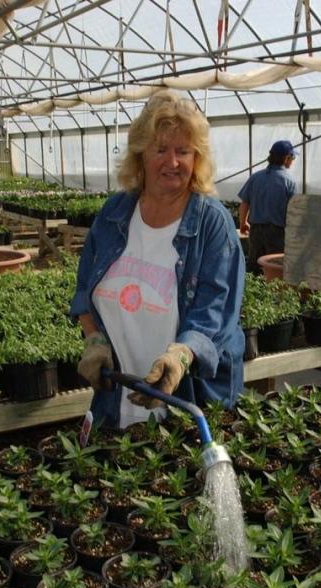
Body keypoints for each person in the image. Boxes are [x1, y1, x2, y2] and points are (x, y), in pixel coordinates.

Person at [69, 90, 245, 430]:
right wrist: (94, 340)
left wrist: (180, 358)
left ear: (197, 158)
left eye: (183, 151)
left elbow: (217, 309)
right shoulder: (114, 214)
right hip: (115, 394)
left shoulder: (212, 224)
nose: (173, 162)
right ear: (140, 155)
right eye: (160, 149)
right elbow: (84, 288)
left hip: (188, 399)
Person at [237, 140, 298, 274]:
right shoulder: (289, 182)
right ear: (286, 158)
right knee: (275, 271)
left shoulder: (255, 177)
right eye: (292, 158)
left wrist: (243, 222)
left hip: (256, 231)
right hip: (277, 233)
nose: (292, 161)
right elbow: (294, 212)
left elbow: (244, 203)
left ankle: (252, 294)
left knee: (254, 268)